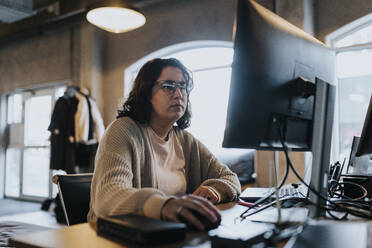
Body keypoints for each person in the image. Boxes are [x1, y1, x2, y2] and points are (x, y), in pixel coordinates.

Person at [87, 58, 241, 230]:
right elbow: (108, 197)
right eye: (168, 86)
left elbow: (230, 178)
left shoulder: (186, 141)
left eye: (182, 86)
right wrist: (163, 205)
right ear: (146, 93)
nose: (178, 94)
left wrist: (217, 190)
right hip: (114, 238)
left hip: (168, 235)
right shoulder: (122, 130)